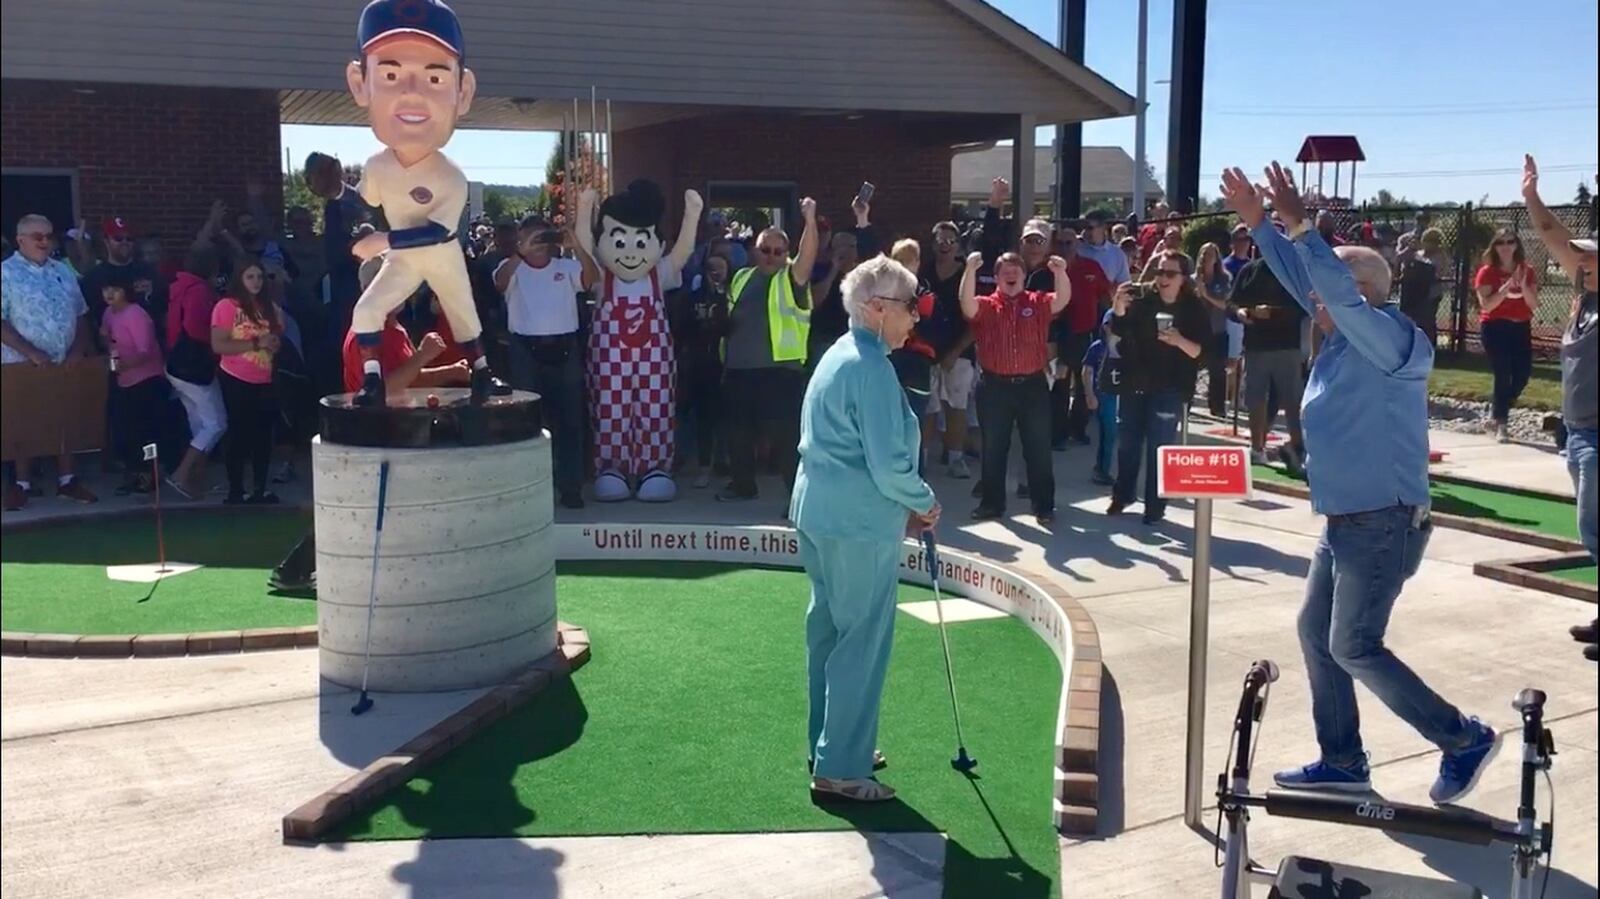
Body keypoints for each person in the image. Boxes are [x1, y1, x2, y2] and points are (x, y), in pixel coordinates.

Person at [1221, 162, 1498, 803]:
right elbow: (1308, 282)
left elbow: (1330, 292)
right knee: (1316, 634)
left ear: (1364, 289)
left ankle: (1463, 738)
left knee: (1353, 643)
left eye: (1329, 289)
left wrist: (1297, 225)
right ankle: (1342, 761)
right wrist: (1261, 224)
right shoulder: (1345, 340)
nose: (1312, 300)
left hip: (1384, 520)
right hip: (1347, 520)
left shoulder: (1393, 340)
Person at [790, 254, 939, 803]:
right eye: (908, 307)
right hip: (856, 522)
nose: (914, 319)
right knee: (860, 641)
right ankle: (842, 767)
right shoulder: (871, 367)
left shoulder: (839, 352)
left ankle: (831, 747)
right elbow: (889, 464)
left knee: (829, 632)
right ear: (876, 309)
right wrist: (923, 501)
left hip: (819, 513)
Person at [342, 0, 509, 407]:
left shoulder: (450, 175)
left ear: (462, 91)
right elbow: (366, 198)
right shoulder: (377, 165)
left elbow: (438, 231)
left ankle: (484, 374)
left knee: (463, 315)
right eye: (391, 74)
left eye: (434, 78)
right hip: (402, 260)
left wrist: (381, 240)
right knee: (366, 311)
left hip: (439, 254)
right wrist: (343, 202)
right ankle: (371, 382)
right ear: (360, 83)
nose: (411, 94)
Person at [1521, 155, 1599, 663]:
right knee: (1590, 526)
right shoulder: (1582, 297)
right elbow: (1553, 236)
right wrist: (1530, 197)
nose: (1580, 259)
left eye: (1590, 255)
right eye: (1581, 256)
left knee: (1595, 523)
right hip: (1577, 429)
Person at [719, 199, 820, 505]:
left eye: (778, 252)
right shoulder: (742, 277)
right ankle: (742, 485)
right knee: (737, 434)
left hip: (780, 372)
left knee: (786, 440)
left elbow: (807, 258)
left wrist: (810, 221)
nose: (771, 256)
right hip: (738, 370)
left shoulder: (791, 279)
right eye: (765, 250)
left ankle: (799, 500)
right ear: (755, 250)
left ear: (786, 255)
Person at [962, 250, 1071, 525]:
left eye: (1016, 271)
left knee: (1038, 448)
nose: (1011, 275)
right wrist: (970, 271)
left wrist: (1060, 274)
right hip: (994, 386)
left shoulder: (1037, 301)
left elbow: (1062, 301)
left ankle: (1044, 506)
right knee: (994, 448)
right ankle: (992, 504)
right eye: (1005, 272)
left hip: (1032, 385)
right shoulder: (986, 304)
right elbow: (966, 306)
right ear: (997, 277)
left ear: (1024, 275)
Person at [495, 215, 597, 508]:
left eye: (544, 237)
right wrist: (521, 252)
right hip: (525, 350)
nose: (540, 244)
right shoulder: (511, 268)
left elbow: (591, 279)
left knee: (569, 422)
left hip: (564, 348)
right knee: (528, 422)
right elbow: (500, 285)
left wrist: (575, 245)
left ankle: (570, 487)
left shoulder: (565, 267)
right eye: (533, 238)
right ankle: (531, 485)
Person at [2, 214, 98, 509]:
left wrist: (78, 349)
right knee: (23, 423)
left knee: (65, 420)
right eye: (37, 237)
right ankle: (21, 484)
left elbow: (81, 313)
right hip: (22, 364)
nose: (44, 242)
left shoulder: (63, 271)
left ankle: (67, 480)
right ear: (20, 240)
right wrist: (30, 351)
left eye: (48, 236)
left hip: (63, 362)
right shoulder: (5, 273)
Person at [1107, 252, 1209, 525]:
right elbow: (1119, 329)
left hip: (1170, 387)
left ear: (1183, 279)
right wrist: (1118, 307)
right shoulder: (1143, 299)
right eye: (1160, 272)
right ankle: (1123, 495)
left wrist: (1178, 341)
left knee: (1160, 449)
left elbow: (1202, 352)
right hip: (1135, 382)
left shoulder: (1193, 308)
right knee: (1128, 444)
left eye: (1170, 274)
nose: (1163, 278)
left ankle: (1155, 506)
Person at [211, 261, 283, 505]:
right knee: (238, 434)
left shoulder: (269, 308)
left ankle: (260, 489)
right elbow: (219, 345)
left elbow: (276, 338)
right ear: (240, 279)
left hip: (264, 378)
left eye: (260, 277)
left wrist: (273, 344)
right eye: (250, 277)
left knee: (263, 436)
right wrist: (255, 344)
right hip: (235, 378)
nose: (256, 282)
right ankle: (236, 490)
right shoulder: (226, 307)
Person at [1230, 249, 1308, 470]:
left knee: (1292, 399)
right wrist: (1241, 313)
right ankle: (1257, 448)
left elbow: (1304, 306)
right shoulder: (1249, 271)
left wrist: (1274, 312)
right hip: (1256, 345)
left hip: (1286, 345)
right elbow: (1232, 302)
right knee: (1255, 397)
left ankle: (1298, 449)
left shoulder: (1293, 271)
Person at [163, 245, 227, 499]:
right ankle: (181, 474)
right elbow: (197, 326)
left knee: (199, 422)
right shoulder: (199, 290)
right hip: (194, 365)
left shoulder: (178, 285)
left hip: (175, 363)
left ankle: (194, 479)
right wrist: (218, 343)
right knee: (217, 423)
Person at [99, 277, 170, 495]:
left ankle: (152, 475)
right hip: (124, 381)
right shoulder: (109, 313)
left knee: (147, 431)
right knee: (126, 431)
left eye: (116, 287)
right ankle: (134, 474)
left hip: (147, 380)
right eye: (106, 287)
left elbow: (145, 351)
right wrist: (109, 350)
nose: (110, 293)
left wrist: (123, 364)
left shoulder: (137, 314)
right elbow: (104, 334)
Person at [920, 222, 976, 479]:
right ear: (932, 244)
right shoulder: (922, 272)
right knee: (928, 407)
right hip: (925, 352)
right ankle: (922, 459)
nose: (945, 245)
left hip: (960, 352)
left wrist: (956, 351)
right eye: (940, 240)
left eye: (950, 241)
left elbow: (978, 320)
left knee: (956, 406)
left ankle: (956, 458)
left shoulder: (967, 275)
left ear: (958, 246)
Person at [1049, 224, 1112, 448]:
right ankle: (1058, 434)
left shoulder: (1091, 267)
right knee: (1061, 386)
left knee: (1086, 382)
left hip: (1087, 334)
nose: (1065, 247)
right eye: (1061, 243)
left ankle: (1079, 429)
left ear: (1077, 243)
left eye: (1070, 242)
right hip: (1061, 335)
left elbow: (1106, 295)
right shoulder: (1051, 270)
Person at [671, 252, 731, 489]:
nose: (716, 273)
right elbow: (680, 327)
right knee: (692, 415)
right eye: (711, 268)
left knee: (723, 417)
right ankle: (692, 461)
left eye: (721, 268)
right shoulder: (691, 297)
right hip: (695, 363)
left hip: (725, 363)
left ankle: (721, 460)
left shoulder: (732, 297)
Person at [1473, 228, 1538, 443]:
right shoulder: (1487, 272)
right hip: (1495, 326)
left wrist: (1523, 285)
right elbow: (1488, 305)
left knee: (1522, 374)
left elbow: (1533, 304)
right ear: (1495, 246)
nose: (1506, 246)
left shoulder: (1527, 270)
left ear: (1517, 245)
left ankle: (1497, 411)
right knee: (1502, 372)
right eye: (1501, 243)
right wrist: (1506, 286)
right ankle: (1502, 423)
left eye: (1510, 242)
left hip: (1520, 326)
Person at [887, 239, 937, 420]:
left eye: (911, 260)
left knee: (914, 422)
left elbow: (925, 328)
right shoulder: (882, 292)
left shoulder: (925, 294)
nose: (906, 266)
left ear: (918, 263)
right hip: (889, 359)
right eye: (900, 260)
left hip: (917, 362)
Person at [1195, 242, 1234, 417]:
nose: (1206, 258)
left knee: (1218, 371)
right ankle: (1187, 405)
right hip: (1197, 331)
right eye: (1203, 254)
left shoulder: (1224, 279)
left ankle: (1217, 408)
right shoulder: (1193, 279)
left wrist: (1206, 295)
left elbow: (1225, 304)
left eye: (1210, 254)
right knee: (1191, 368)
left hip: (1217, 331)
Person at [1083, 310, 1120, 485]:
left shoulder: (1127, 346)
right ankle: (1102, 470)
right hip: (1104, 394)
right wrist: (1090, 395)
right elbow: (1087, 371)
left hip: (1123, 394)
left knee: (1119, 435)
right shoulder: (1097, 347)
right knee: (1109, 432)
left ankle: (1115, 471)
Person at [1078, 209, 1133, 287]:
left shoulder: (1117, 254)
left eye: (1090, 228)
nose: (1085, 231)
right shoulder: (1077, 251)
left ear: (1103, 227)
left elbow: (1124, 284)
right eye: (1083, 227)